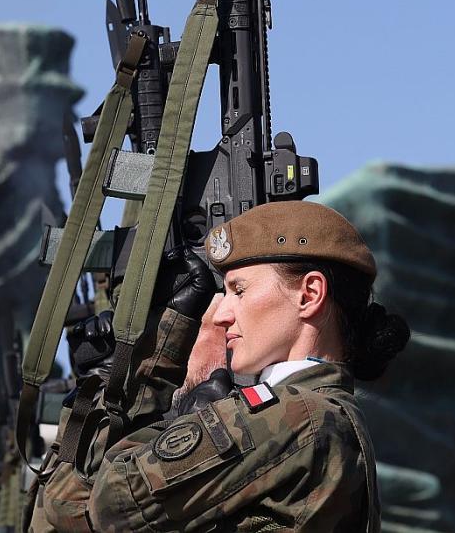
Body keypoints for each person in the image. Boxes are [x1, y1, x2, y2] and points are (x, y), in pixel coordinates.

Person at [86, 200, 410, 532]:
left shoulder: (299, 414)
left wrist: (175, 400)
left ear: (309, 294)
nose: (222, 314)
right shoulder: (323, 414)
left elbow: (114, 500)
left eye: (239, 290)